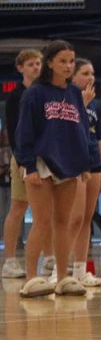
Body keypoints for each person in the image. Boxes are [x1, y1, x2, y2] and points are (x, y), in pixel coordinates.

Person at [13, 41, 88, 298]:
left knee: (63, 222)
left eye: (71, 61)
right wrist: (29, 165)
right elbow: (24, 131)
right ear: (50, 63)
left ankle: (63, 276)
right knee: (42, 221)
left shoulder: (75, 94)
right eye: (63, 61)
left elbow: (81, 130)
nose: (68, 66)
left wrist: (84, 162)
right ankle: (32, 278)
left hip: (69, 164)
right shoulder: (35, 93)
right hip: (41, 162)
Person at [2, 50, 42, 279]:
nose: (36, 67)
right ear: (20, 68)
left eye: (38, 63)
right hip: (24, 158)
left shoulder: (43, 93)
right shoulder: (17, 96)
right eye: (30, 64)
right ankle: (10, 260)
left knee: (44, 210)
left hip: (44, 158)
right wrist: (22, 161)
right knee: (18, 207)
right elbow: (14, 130)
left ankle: (47, 258)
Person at [69, 58, 101, 288]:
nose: (90, 77)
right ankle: (59, 270)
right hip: (74, 163)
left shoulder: (96, 104)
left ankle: (81, 270)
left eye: (92, 73)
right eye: (85, 73)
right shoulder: (69, 100)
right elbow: (68, 130)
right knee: (72, 218)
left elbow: (100, 138)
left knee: (86, 219)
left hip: (94, 162)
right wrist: (82, 106)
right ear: (73, 77)